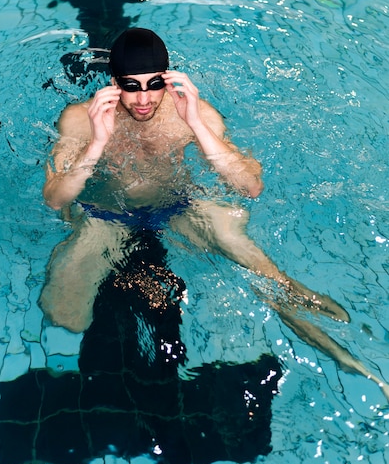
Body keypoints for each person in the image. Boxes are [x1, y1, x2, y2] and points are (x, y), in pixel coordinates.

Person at [41, 27, 389, 400]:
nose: (143, 98)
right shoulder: (80, 119)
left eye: (154, 83)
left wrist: (195, 123)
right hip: (105, 217)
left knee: (266, 275)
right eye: (131, 85)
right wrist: (97, 142)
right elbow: (55, 199)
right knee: (65, 314)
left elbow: (250, 187)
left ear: (169, 78)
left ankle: (342, 349)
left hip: (178, 206)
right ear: (114, 83)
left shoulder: (191, 112)